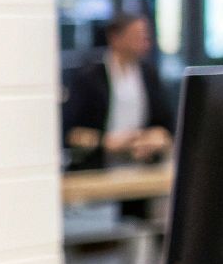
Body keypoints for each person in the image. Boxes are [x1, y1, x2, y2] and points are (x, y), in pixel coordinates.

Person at [64, 12, 174, 169]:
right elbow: (70, 132)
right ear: (115, 38)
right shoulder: (89, 77)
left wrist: (154, 137)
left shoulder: (149, 74)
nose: (144, 42)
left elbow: (166, 123)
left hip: (141, 164)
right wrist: (106, 142)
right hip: (97, 166)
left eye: (145, 36)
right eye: (136, 36)